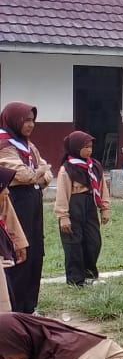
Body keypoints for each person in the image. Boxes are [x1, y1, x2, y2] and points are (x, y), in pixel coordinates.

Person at [0, 102, 52, 313]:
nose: (31, 125)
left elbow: (47, 174)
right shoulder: (4, 145)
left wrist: (37, 174)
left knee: (35, 253)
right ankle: (16, 309)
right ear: (13, 120)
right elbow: (23, 174)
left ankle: (30, 307)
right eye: (26, 120)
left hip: (33, 202)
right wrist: (39, 172)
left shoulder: (28, 145)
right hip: (15, 203)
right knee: (19, 252)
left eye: (33, 120)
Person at [56, 131, 111, 287]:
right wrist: (63, 216)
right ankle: (75, 279)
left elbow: (102, 187)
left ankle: (89, 274)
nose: (89, 150)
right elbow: (62, 194)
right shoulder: (67, 169)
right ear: (76, 148)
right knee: (74, 243)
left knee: (93, 241)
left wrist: (105, 208)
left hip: (90, 205)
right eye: (85, 147)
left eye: (91, 147)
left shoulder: (95, 166)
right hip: (74, 206)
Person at [0, 167, 27, 359]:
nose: (7, 192)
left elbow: (9, 218)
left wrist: (19, 243)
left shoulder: (2, 201)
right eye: (3, 188)